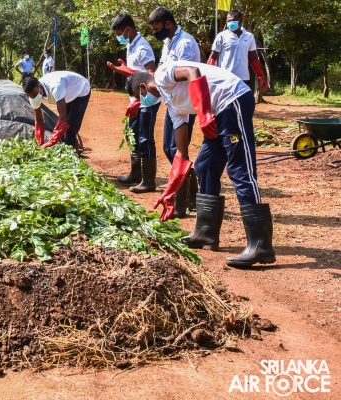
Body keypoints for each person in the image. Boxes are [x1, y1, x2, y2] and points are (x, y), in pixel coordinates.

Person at [125, 62, 276, 267]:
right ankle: (206, 232)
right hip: (220, 111)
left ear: (142, 87)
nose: (144, 101)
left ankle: (261, 243)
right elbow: (181, 154)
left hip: (234, 99)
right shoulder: (174, 107)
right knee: (204, 164)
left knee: (240, 169)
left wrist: (204, 114)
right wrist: (170, 192)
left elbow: (192, 72)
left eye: (140, 96)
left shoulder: (161, 75)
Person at [148, 6, 202, 216]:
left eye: (156, 28)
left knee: (177, 148)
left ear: (168, 24)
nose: (155, 32)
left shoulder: (185, 43)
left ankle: (185, 198)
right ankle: (189, 188)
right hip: (173, 102)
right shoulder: (168, 42)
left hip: (186, 102)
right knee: (168, 148)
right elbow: (161, 67)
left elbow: (187, 73)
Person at [107, 13, 160, 194]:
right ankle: (136, 174)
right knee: (133, 134)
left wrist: (139, 101)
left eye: (119, 33)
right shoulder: (131, 45)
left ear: (127, 29)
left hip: (147, 99)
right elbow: (137, 73)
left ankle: (148, 181)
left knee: (145, 137)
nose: (118, 37)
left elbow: (151, 75)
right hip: (136, 98)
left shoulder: (142, 48)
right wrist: (125, 70)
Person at [22, 72, 90, 149]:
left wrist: (52, 141)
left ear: (40, 86)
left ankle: (73, 152)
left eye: (34, 94)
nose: (33, 98)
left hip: (80, 90)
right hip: (66, 95)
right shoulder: (33, 97)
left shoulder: (55, 86)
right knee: (63, 132)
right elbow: (39, 120)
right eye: (30, 96)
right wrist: (39, 143)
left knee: (70, 127)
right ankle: (74, 145)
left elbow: (63, 115)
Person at [207, 9, 268, 93]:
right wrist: (207, 76)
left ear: (241, 20)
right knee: (227, 105)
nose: (230, 23)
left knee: (243, 105)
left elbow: (253, 58)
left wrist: (261, 77)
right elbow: (213, 57)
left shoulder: (249, 36)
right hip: (225, 78)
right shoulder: (221, 36)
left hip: (243, 79)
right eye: (228, 21)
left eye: (233, 21)